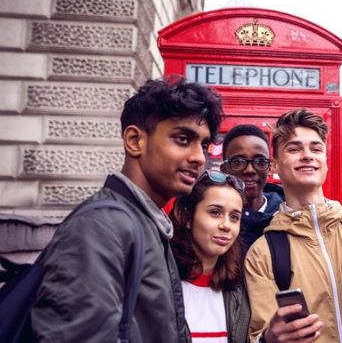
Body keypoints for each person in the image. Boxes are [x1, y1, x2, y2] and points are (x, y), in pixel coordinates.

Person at [32, 77, 222, 342]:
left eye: (203, 144)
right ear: (135, 140)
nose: (199, 157)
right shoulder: (100, 228)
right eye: (182, 139)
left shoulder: (148, 223)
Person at [245, 108, 342, 343]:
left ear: (325, 161)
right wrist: (269, 338)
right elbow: (259, 334)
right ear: (275, 166)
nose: (308, 155)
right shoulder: (262, 253)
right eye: (294, 149)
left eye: (316, 149)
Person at [170, 170, 250, 343]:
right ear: (188, 217)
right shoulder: (160, 280)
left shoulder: (241, 288)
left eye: (234, 217)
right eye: (215, 212)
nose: (226, 225)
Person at [221, 124, 284, 257]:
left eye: (260, 161)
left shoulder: (288, 218)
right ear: (223, 169)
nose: (249, 170)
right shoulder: (211, 223)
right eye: (238, 161)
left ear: (270, 167)